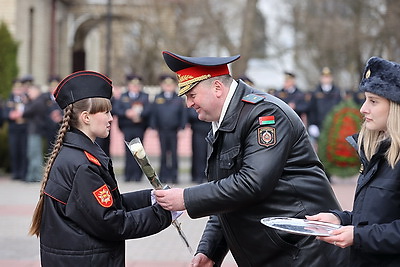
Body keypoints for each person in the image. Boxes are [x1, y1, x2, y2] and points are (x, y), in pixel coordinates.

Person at [154, 51, 348, 266]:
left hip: (302, 250)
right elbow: (225, 195)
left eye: (192, 95)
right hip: (276, 251)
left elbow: (253, 183)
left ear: (217, 88)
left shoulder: (265, 115)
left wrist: (186, 198)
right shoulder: (224, 122)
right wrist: (210, 250)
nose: (189, 104)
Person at [28, 70, 176, 266]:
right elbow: (113, 223)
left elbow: (106, 205)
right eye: (105, 111)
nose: (111, 118)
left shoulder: (79, 153)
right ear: (86, 117)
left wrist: (150, 198)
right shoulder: (82, 164)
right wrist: (164, 214)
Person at [307, 56, 400, 266]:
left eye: (373, 101)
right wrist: (340, 219)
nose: (363, 109)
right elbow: (374, 216)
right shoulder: (377, 151)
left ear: (395, 106)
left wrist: (358, 236)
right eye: (365, 99)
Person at [150, 74, 187, 184]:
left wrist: (182, 128)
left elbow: (183, 115)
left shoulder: (179, 98)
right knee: (163, 154)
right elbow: (154, 114)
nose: (168, 87)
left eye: (170, 85)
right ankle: (163, 176)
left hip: (174, 130)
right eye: (166, 85)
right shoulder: (158, 98)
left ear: (174, 86)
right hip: (162, 130)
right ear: (162, 85)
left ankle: (174, 176)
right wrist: (153, 127)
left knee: (174, 154)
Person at [113, 74, 151, 182]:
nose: (135, 87)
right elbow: (116, 109)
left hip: (139, 127)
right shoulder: (123, 96)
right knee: (128, 151)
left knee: (139, 152)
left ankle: (138, 175)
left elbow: (149, 110)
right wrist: (127, 113)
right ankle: (128, 174)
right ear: (128, 85)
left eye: (137, 85)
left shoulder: (144, 96)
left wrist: (140, 114)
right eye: (132, 85)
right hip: (127, 127)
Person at [307, 67, 343, 149]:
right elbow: (312, 110)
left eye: (328, 76)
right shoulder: (315, 92)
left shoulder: (337, 92)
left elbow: (340, 108)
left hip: (334, 126)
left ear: (331, 78)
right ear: (321, 78)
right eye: (324, 77)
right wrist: (312, 124)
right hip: (319, 126)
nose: (326, 79)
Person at [3, 79, 28, 181]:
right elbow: (4, 114)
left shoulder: (26, 99)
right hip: (13, 129)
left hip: (24, 128)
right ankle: (15, 173)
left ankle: (23, 173)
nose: (17, 90)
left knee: (23, 151)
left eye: (19, 88)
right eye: (16, 88)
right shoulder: (9, 100)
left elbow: (31, 111)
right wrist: (10, 115)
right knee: (14, 151)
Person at [23, 84, 47, 182]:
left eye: (31, 92)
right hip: (34, 130)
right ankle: (32, 175)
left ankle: (36, 176)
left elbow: (25, 112)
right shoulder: (37, 101)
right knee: (32, 153)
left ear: (36, 91)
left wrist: (26, 102)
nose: (29, 94)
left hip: (35, 131)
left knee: (35, 154)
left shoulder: (37, 102)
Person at [188, 107, 210, 183]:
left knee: (209, 154)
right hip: (198, 130)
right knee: (199, 154)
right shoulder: (196, 102)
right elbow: (191, 114)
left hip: (210, 129)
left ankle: (207, 175)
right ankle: (198, 176)